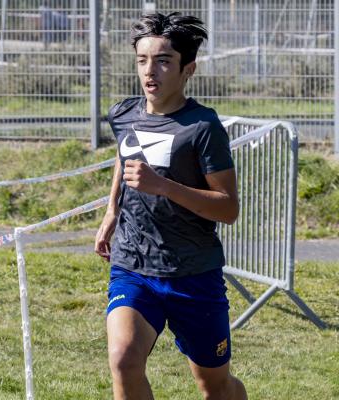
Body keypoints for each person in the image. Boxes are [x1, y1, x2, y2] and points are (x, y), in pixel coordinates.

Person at [95, 12, 247, 400]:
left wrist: (164, 186)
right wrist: (112, 209)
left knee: (215, 387)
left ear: (187, 69)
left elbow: (228, 208)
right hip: (133, 265)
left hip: (193, 274)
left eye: (163, 61)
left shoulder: (203, 126)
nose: (150, 71)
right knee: (123, 360)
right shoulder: (123, 114)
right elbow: (125, 156)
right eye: (143, 60)